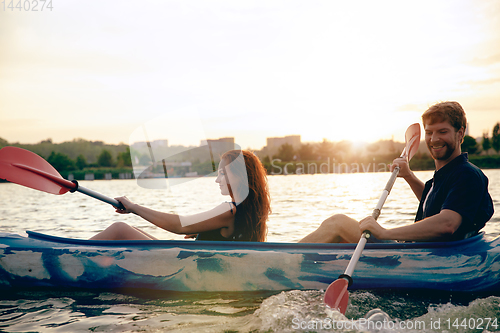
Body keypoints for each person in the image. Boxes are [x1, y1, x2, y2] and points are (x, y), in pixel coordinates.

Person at [299, 101, 494, 243]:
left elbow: (447, 224)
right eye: (429, 132)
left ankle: (280, 262)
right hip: (422, 254)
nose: (434, 139)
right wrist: (409, 176)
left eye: (442, 132)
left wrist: (385, 233)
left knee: (338, 223)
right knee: (339, 237)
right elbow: (432, 204)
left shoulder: (466, 174)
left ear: (460, 133)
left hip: (430, 261)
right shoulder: (447, 174)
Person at [90, 150, 271, 242]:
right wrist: (203, 232)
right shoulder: (249, 211)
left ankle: (68, 252)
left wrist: (133, 207)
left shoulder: (229, 210)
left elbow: (179, 225)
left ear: (239, 176)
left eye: (223, 173)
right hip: (191, 262)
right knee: (128, 231)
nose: (217, 180)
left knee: (119, 229)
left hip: (185, 265)